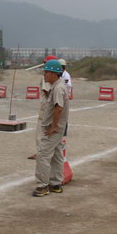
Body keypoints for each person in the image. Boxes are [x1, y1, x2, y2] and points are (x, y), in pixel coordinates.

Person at [32, 59, 70, 196]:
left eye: (47, 72)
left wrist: (53, 127)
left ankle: (42, 186)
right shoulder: (57, 86)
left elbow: (58, 108)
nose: (45, 75)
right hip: (58, 128)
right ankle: (55, 183)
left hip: (52, 129)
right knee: (57, 155)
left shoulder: (58, 88)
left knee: (43, 155)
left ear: (54, 73)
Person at [28, 55, 60, 159]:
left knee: (41, 130)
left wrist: (51, 102)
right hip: (50, 106)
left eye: (45, 63)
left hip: (46, 107)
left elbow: (47, 92)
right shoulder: (58, 77)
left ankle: (40, 152)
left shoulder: (46, 76)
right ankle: (48, 151)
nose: (44, 65)